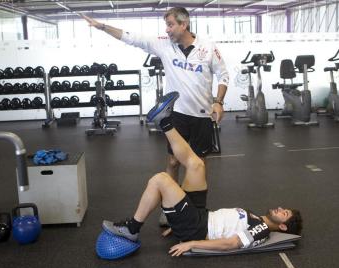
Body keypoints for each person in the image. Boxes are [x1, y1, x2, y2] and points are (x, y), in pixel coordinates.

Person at [102, 92, 303, 256]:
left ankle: (132, 229)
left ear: (283, 227)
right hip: (199, 215)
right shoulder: (256, 218)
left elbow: (230, 244)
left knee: (160, 180)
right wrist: (178, 221)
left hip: (196, 227)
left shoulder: (262, 229)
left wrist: (191, 243)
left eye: (283, 213)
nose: (279, 208)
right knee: (196, 164)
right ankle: (165, 121)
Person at [80, 8, 229, 197]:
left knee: (198, 164)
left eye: (170, 25)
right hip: (178, 114)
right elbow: (131, 37)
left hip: (202, 115)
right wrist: (102, 27)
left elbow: (223, 75)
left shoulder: (208, 47)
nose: (167, 30)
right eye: (166, 25)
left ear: (184, 24)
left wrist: (219, 102)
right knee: (173, 162)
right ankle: (172, 204)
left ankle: (195, 208)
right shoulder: (164, 45)